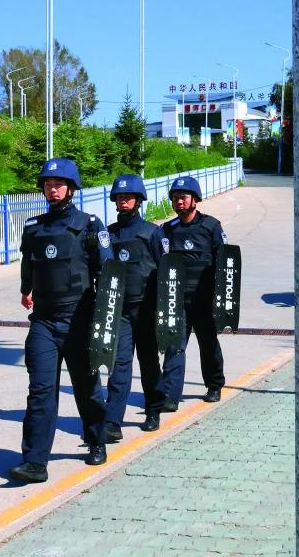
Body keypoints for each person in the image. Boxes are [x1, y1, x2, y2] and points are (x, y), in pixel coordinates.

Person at [8, 158, 113, 484]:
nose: (52, 189)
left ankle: (96, 438)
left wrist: (104, 317)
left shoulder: (90, 225)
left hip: (79, 320)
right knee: (40, 391)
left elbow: (108, 271)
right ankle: (35, 462)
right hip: (44, 322)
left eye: (58, 184)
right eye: (48, 184)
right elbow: (28, 263)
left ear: (71, 188)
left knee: (86, 388)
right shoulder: (33, 227)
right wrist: (26, 289)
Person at [105, 174, 167, 441]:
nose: (123, 201)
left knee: (149, 362)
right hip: (119, 310)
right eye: (120, 197)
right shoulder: (109, 234)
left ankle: (153, 410)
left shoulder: (152, 232)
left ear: (139, 200)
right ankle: (112, 421)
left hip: (146, 308)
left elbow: (167, 270)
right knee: (119, 364)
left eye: (128, 197)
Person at [159, 175, 226, 410]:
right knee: (174, 346)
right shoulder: (167, 230)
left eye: (184, 197)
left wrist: (222, 299)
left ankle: (214, 385)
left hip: (204, 299)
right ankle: (170, 395)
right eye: (176, 198)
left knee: (208, 344)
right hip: (176, 300)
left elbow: (225, 262)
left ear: (195, 199)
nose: (179, 201)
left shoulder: (211, 226)